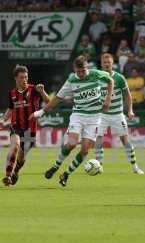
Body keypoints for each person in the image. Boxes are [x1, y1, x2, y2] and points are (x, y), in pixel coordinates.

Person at [31, 55, 114, 187]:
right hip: (78, 115)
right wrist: (42, 112)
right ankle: (55, 166)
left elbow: (110, 81)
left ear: (87, 67)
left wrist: (108, 98)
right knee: (72, 143)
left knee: (85, 150)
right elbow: (58, 98)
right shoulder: (71, 80)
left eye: (83, 71)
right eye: (78, 71)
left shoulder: (96, 74)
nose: (81, 74)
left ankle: (66, 174)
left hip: (94, 118)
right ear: (74, 69)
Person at [0, 65, 50, 186]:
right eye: (21, 77)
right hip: (16, 125)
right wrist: (2, 120)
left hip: (30, 130)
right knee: (14, 146)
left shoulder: (34, 89)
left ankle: (16, 171)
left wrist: (43, 92)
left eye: (26, 77)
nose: (24, 80)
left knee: (21, 157)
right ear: (16, 78)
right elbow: (11, 108)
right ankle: (7, 176)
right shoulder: (12, 93)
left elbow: (49, 102)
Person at [95, 53, 144, 174]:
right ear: (101, 64)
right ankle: (99, 166)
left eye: (109, 63)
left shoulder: (119, 78)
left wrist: (130, 109)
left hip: (117, 114)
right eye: (104, 63)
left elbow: (127, 95)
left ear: (112, 64)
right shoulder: (97, 78)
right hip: (102, 115)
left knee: (125, 140)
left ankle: (135, 167)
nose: (106, 65)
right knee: (98, 139)